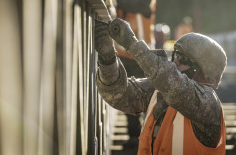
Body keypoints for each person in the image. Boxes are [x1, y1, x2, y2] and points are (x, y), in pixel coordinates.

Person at [95, 18, 226, 154]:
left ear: (204, 73)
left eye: (183, 59)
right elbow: (118, 94)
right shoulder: (160, 91)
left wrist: (131, 43)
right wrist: (108, 58)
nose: (175, 61)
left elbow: (172, 83)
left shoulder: (208, 103)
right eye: (175, 54)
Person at [112, 0, 157, 147]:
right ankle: (134, 137)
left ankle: (149, 135)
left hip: (145, 55)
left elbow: (141, 7)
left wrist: (116, 2)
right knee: (128, 97)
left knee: (148, 98)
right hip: (122, 55)